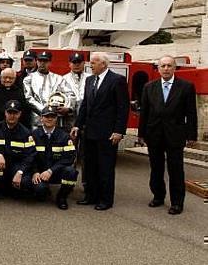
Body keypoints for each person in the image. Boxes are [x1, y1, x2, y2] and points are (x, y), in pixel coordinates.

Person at [138, 55, 197, 215]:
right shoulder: (149, 87)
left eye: (169, 66)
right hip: (154, 134)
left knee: (176, 170)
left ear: (174, 68)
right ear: (158, 69)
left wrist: (191, 135)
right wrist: (141, 133)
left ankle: (177, 202)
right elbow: (145, 112)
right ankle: (158, 196)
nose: (166, 69)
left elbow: (191, 113)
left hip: (175, 135)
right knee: (156, 168)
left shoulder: (186, 87)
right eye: (163, 66)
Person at [71, 52, 129, 211]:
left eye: (94, 62)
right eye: (91, 62)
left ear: (104, 64)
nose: (91, 65)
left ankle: (105, 199)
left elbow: (122, 108)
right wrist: (77, 124)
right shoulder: (90, 80)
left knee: (105, 167)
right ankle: (90, 196)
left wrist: (119, 131)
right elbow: (85, 105)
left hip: (107, 133)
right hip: (89, 132)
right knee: (89, 166)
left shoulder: (117, 80)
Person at [0, 100, 36, 203]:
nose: (12, 116)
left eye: (15, 113)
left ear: (20, 114)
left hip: (16, 166)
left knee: (26, 182)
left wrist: (20, 172)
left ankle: (13, 189)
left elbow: (30, 156)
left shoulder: (25, 133)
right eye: (9, 113)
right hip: (0, 164)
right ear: (5, 113)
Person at [30, 107, 78, 209]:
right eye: (47, 116)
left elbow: (69, 157)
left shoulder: (64, 136)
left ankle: (61, 197)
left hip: (56, 172)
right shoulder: (34, 135)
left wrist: (51, 170)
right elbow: (29, 156)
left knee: (71, 172)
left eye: (52, 116)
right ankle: (44, 190)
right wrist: (35, 171)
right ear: (41, 118)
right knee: (40, 192)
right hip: (40, 173)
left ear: (56, 119)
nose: (49, 119)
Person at [23, 51, 72, 127]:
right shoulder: (28, 79)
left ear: (50, 62)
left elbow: (70, 94)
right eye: (40, 60)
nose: (42, 63)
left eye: (45, 61)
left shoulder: (58, 79)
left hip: (56, 121)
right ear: (36, 61)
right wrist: (45, 111)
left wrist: (68, 107)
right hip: (37, 120)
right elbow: (28, 98)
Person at [61, 52, 90, 132]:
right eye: (74, 62)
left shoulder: (91, 78)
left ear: (84, 63)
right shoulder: (63, 79)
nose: (77, 65)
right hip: (69, 120)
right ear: (69, 64)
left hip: (88, 121)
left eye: (79, 62)